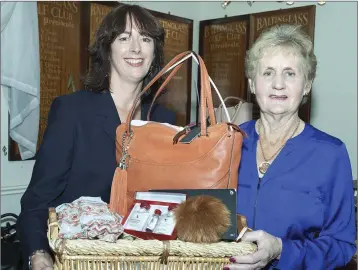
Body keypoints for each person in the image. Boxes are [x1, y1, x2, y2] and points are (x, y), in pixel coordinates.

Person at [17, 4, 175, 270]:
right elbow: (36, 201)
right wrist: (38, 254)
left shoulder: (166, 121)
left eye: (145, 39)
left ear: (154, 51)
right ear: (107, 48)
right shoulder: (72, 112)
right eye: (124, 38)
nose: (136, 48)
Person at [225, 24, 356, 270]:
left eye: (290, 73)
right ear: (252, 84)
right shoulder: (227, 142)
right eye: (268, 73)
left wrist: (281, 249)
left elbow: (342, 245)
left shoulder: (330, 153)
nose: (278, 84)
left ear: (306, 86)